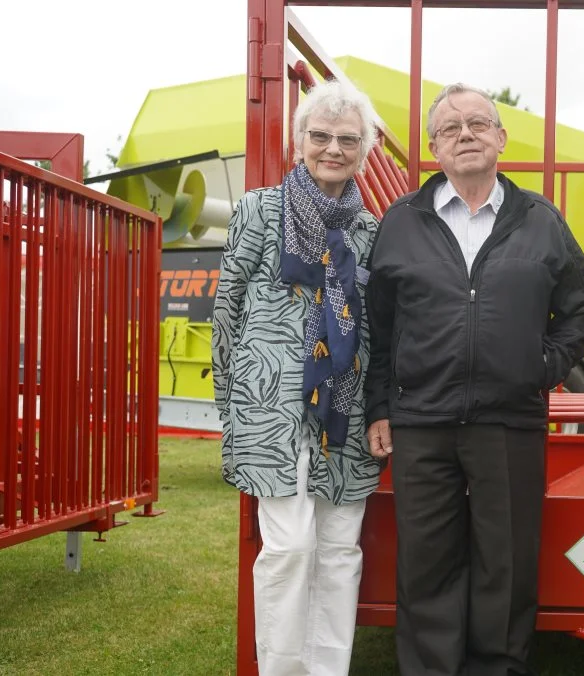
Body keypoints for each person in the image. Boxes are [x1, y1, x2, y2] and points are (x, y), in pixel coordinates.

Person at [364, 82, 584, 676]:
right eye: (449, 128)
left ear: (500, 137)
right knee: (426, 565)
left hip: (509, 419)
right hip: (423, 423)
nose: (465, 134)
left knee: (508, 563)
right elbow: (379, 327)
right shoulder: (402, 222)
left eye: (477, 123)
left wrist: (539, 367)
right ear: (433, 149)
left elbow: (581, 309)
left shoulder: (541, 220)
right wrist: (380, 406)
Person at [212, 78, 383, 676]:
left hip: (348, 408)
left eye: (347, 139)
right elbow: (228, 305)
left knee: (339, 553)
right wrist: (231, 405)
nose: (332, 148)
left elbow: (379, 327)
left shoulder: (371, 230)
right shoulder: (259, 209)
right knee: (287, 549)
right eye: (320, 135)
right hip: (270, 407)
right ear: (298, 141)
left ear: (364, 150)